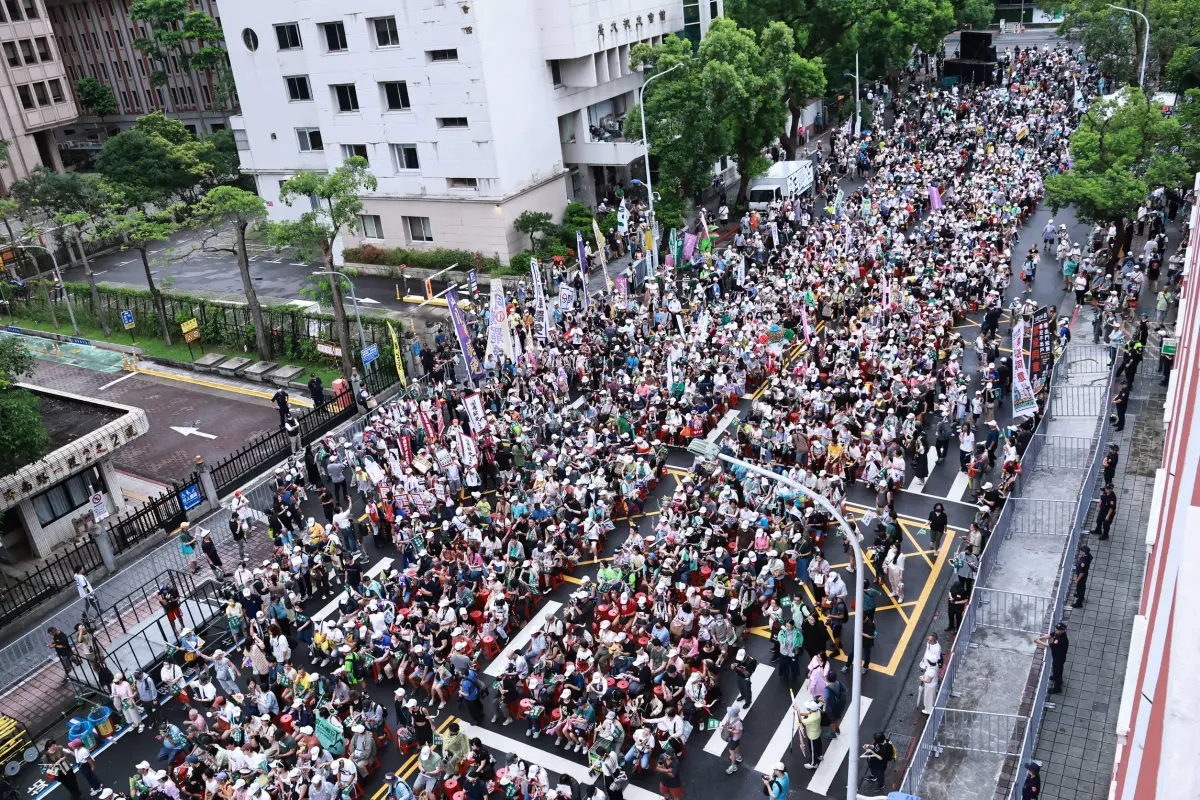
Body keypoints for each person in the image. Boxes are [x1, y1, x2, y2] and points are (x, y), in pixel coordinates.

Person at [1034, 622, 1070, 694]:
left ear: (1062, 631)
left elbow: (1050, 645)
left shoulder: (1061, 640)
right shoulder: (1059, 633)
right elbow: (1050, 635)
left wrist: (1039, 642)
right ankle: (1056, 678)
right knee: (1056, 670)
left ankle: (1057, 688)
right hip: (1057, 656)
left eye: (1058, 630)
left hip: (1059, 658)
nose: (1056, 630)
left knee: (1058, 671)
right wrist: (1040, 638)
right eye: (1056, 629)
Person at [719, 704, 744, 774]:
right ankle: (738, 756)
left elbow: (738, 731)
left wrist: (730, 730)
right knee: (737, 746)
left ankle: (733, 766)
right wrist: (725, 725)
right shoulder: (731, 716)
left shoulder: (738, 722)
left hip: (734, 738)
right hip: (736, 738)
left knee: (731, 751)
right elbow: (728, 721)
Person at [799, 699, 824, 769]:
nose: (807, 709)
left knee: (813, 750)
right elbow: (809, 713)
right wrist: (801, 713)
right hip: (817, 733)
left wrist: (798, 712)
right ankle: (820, 755)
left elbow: (802, 721)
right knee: (818, 745)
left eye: (808, 708)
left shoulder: (812, 719)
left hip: (812, 736)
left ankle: (813, 763)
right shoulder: (817, 712)